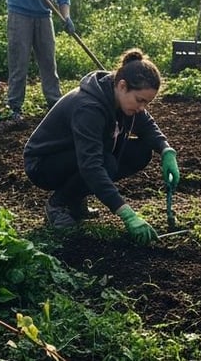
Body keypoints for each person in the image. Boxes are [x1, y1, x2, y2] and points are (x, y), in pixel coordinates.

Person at [24, 48, 181, 245]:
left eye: (147, 103)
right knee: (105, 163)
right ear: (123, 86)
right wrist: (126, 213)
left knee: (141, 152)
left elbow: (147, 125)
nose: (142, 108)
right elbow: (91, 165)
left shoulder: (120, 96)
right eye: (140, 101)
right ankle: (58, 204)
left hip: (74, 156)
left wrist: (166, 150)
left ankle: (75, 198)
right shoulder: (89, 107)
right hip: (44, 164)